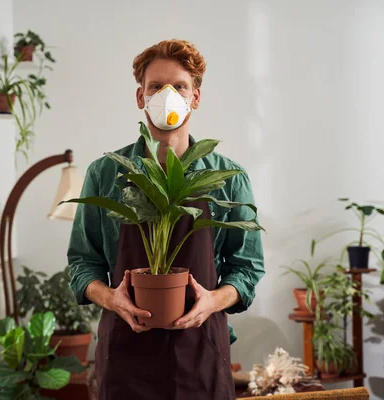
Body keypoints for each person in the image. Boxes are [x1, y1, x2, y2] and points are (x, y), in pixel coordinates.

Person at [67, 39, 265, 400]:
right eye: (157, 86)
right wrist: (111, 299)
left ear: (196, 97)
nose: (167, 96)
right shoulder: (107, 172)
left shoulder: (228, 177)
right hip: (126, 351)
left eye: (180, 86)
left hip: (201, 349)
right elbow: (83, 263)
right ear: (140, 96)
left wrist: (213, 301)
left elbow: (247, 268)